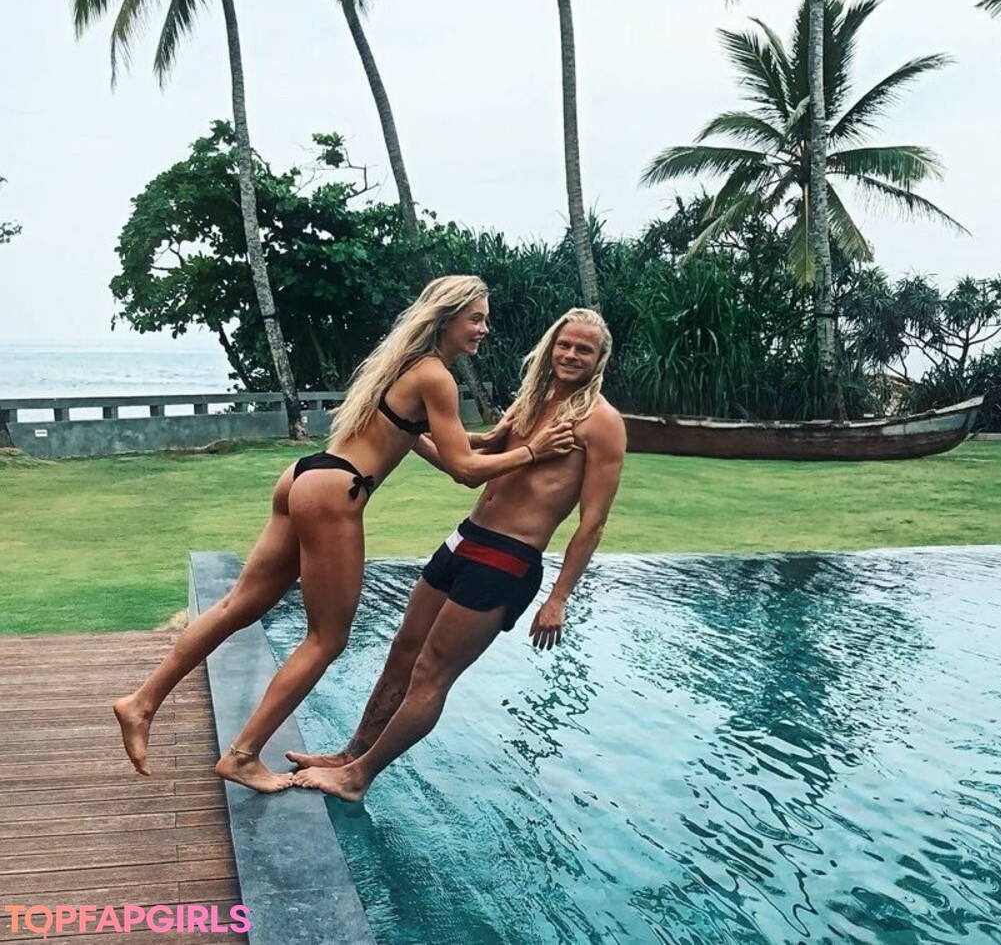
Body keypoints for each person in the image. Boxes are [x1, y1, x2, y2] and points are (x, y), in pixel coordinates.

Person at [113, 276, 575, 793]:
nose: (484, 329)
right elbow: (464, 471)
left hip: (306, 475)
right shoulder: (436, 375)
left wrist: (490, 440)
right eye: (476, 318)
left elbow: (420, 438)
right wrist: (534, 451)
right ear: (446, 318)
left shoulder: (402, 363)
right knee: (326, 639)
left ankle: (141, 703)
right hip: (338, 494)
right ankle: (242, 756)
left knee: (236, 605)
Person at [288, 307, 626, 802]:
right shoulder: (529, 403)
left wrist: (558, 599)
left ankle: (359, 777)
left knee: (432, 672)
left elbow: (591, 523)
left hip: (508, 557)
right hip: (465, 539)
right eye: (565, 344)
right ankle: (350, 754)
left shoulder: (602, 422)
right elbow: (469, 463)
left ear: (599, 359)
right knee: (403, 652)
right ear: (552, 346)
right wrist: (405, 428)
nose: (571, 355)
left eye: (584, 350)